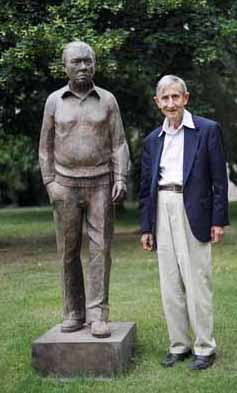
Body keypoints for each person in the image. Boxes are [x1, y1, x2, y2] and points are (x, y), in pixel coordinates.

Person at [39, 41, 129, 338]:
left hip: (101, 183)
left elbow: (119, 143)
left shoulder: (108, 100)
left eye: (87, 62)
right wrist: (50, 182)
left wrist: (120, 178)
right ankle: (73, 312)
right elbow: (45, 147)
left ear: (95, 64)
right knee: (68, 252)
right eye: (76, 62)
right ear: (64, 66)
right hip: (65, 185)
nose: (82, 67)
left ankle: (98, 315)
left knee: (101, 250)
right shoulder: (54, 101)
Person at [139, 75, 229, 370]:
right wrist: (146, 227)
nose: (170, 103)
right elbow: (144, 187)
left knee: (197, 281)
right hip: (161, 208)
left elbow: (219, 180)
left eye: (175, 97)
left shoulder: (207, 130)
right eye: (165, 98)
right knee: (170, 284)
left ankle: (205, 347)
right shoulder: (152, 140)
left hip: (194, 209)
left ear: (186, 98)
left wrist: (218, 220)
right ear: (157, 103)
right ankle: (179, 345)